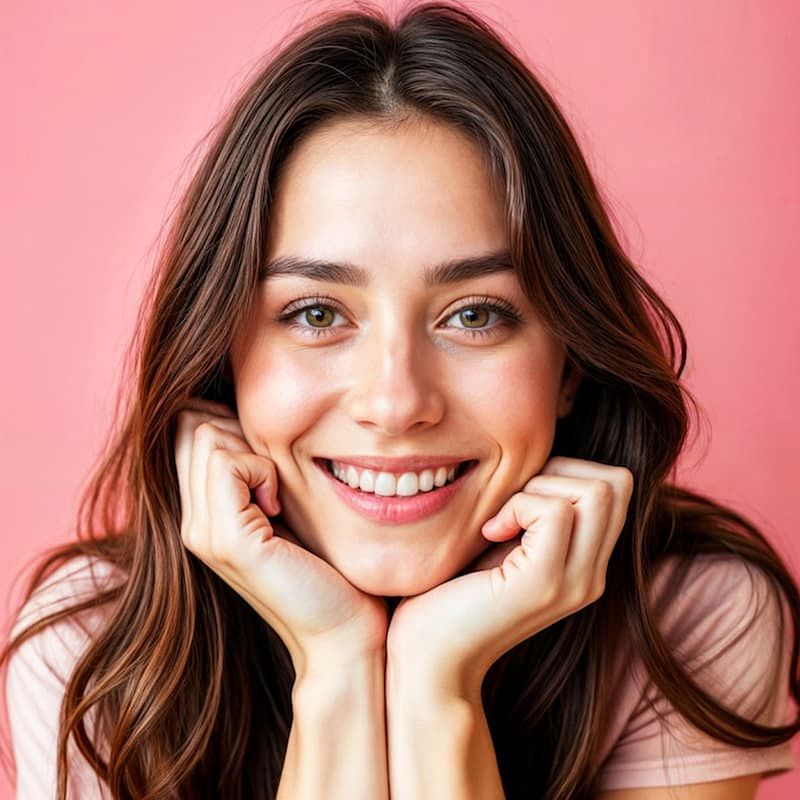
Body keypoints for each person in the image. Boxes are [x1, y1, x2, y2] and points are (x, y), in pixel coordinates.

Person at [2, 2, 798, 798]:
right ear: (222, 356)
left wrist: (435, 688)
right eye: (316, 314)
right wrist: (337, 663)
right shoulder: (92, 650)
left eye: (475, 315)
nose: (395, 402)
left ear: (570, 365)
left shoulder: (688, 616)